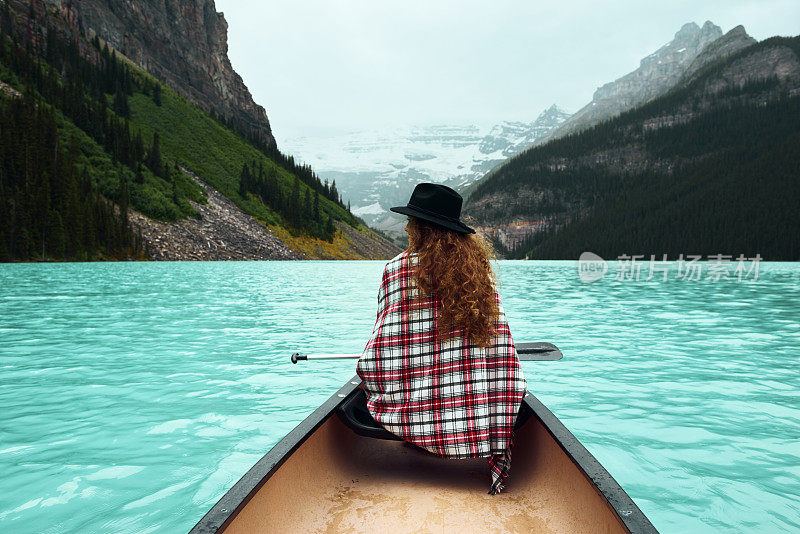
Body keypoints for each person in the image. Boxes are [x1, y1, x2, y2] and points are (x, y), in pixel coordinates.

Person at [357, 182, 527, 495]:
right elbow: (501, 346)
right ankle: (463, 429)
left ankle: (422, 432)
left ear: (419, 228)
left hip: (410, 410)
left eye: (411, 223)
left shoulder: (396, 270)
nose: (408, 228)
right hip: (475, 417)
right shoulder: (478, 273)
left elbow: (382, 345)